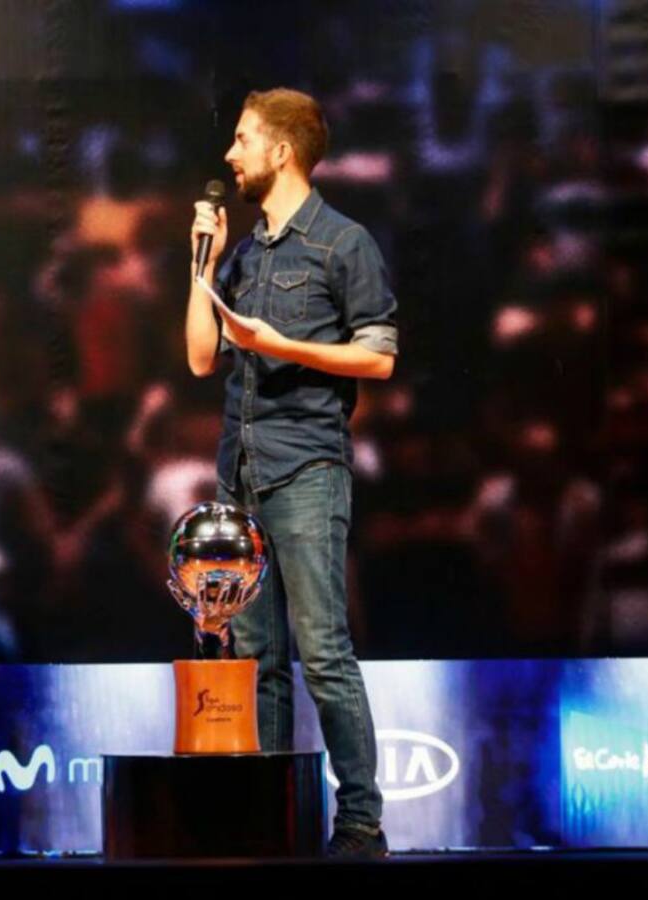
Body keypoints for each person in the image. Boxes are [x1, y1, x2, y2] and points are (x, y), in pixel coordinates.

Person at [185, 88, 398, 858]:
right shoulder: (243, 253)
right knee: (254, 659)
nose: (230, 154)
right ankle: (273, 817)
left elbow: (379, 355)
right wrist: (202, 266)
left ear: (281, 151)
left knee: (324, 652)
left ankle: (361, 822)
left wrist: (281, 344)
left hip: (306, 467)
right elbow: (200, 357)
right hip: (240, 474)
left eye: (243, 139)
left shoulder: (343, 243)